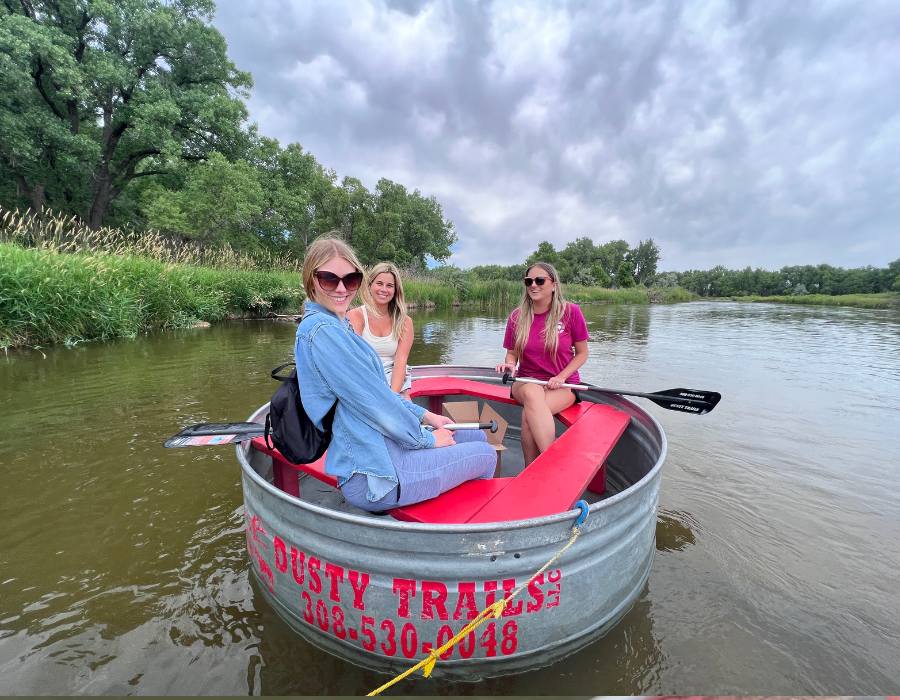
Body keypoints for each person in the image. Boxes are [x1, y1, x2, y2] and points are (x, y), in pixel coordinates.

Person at [295, 235, 496, 513]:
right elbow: (375, 402)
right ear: (311, 279)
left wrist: (426, 416)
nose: (341, 289)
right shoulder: (323, 331)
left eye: (350, 279)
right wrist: (426, 438)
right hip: (374, 474)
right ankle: (469, 538)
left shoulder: (338, 324)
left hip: (383, 445)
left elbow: (378, 390)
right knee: (485, 455)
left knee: (476, 438)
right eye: (329, 279)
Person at [495, 262, 589, 465]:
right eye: (529, 281)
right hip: (525, 381)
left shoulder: (571, 312)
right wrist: (510, 365)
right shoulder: (516, 317)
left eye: (540, 280)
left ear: (554, 285)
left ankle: (532, 470)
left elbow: (582, 354)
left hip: (563, 384)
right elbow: (512, 354)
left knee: (529, 417)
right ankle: (551, 466)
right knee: (532, 392)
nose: (533, 285)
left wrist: (561, 376)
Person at [348, 262, 413, 399]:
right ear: (370, 285)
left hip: (394, 377)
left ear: (395, 290)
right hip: (365, 377)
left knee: (407, 415)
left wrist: (392, 397)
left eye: (389, 286)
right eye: (379, 283)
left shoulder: (405, 321)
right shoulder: (356, 316)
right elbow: (355, 359)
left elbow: (400, 361)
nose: (384, 289)